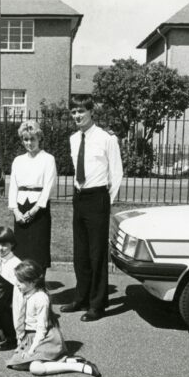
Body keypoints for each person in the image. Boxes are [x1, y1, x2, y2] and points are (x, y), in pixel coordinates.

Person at [61, 96, 123, 322]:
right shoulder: (73, 139)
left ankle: (97, 304)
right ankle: (81, 298)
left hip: (98, 197)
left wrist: (107, 200)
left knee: (97, 254)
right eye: (73, 113)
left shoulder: (107, 139)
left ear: (91, 111)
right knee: (81, 253)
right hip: (79, 197)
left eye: (80, 111)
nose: (77, 116)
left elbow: (116, 173)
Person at [6, 260, 101, 377]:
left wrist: (31, 351)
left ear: (33, 282)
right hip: (30, 337)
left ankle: (81, 367)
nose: (17, 283)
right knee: (15, 364)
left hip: (44, 338)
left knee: (36, 368)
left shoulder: (40, 298)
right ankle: (67, 360)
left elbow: (41, 329)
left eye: (20, 281)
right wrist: (21, 342)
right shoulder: (26, 293)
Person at [8, 120, 57, 270]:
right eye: (26, 139)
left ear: (39, 138)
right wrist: (16, 211)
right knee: (21, 251)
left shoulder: (48, 159)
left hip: (38, 210)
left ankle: (39, 287)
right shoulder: (18, 160)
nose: (29, 143)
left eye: (32, 139)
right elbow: (13, 186)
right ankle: (23, 287)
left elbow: (49, 186)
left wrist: (34, 210)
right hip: (21, 209)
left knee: (38, 250)